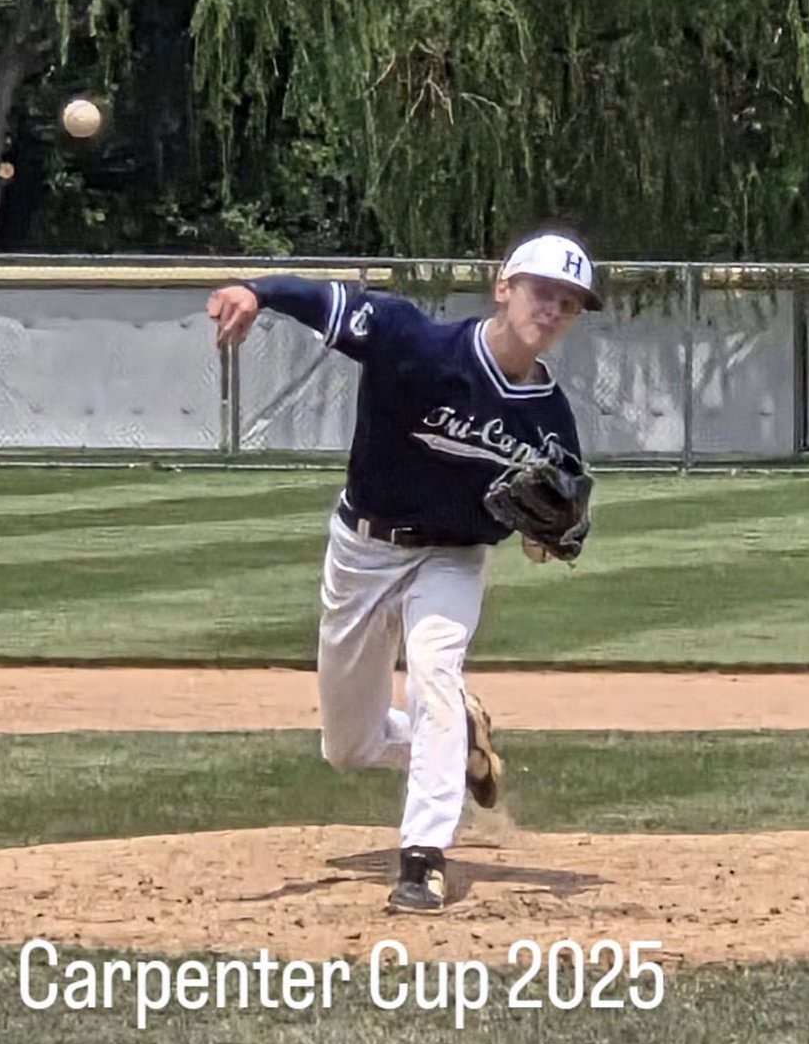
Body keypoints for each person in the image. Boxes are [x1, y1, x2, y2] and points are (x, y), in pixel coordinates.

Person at [206, 231, 601, 915]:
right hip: (360, 551)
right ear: (502, 287)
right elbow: (323, 299)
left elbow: (552, 533)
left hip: (450, 558)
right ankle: (462, 741)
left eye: (568, 304)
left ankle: (422, 859)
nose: (552, 310)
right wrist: (256, 292)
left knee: (433, 677)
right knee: (349, 746)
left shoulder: (549, 420)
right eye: (543, 292)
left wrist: (549, 539)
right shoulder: (412, 340)